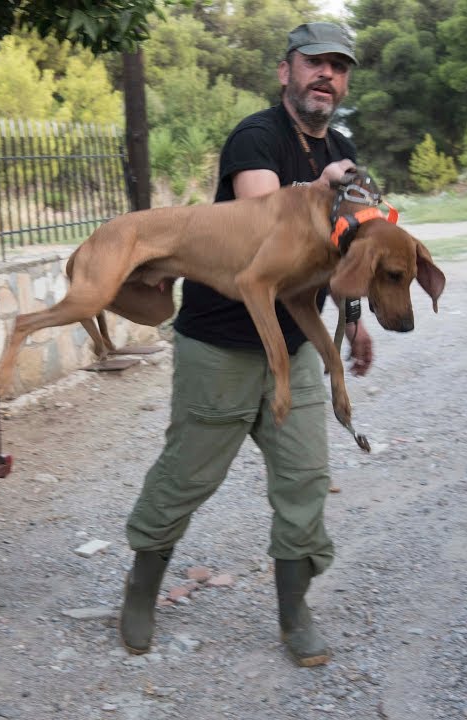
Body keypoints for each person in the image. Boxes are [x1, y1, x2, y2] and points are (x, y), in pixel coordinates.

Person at [120, 21, 373, 668]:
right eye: (314, 62)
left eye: (338, 66)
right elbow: (268, 228)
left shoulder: (340, 145)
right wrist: (325, 187)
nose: (327, 75)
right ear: (285, 71)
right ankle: (142, 590)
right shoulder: (256, 137)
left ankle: (295, 613)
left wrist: (355, 316)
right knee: (187, 477)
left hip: (295, 344)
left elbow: (353, 244)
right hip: (221, 348)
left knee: (306, 479)